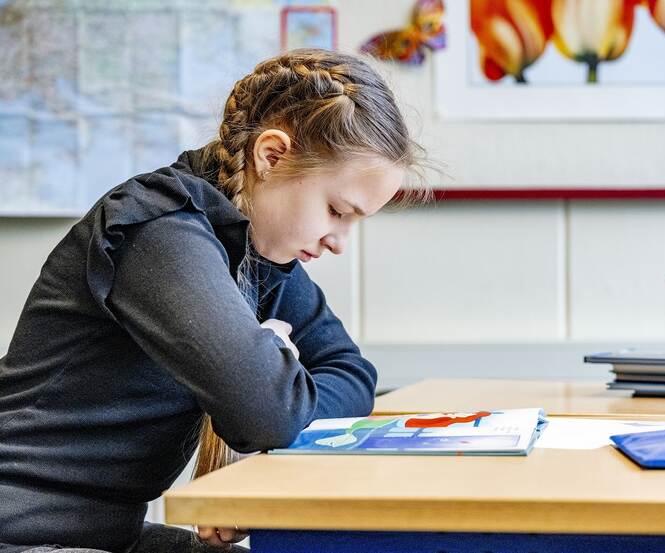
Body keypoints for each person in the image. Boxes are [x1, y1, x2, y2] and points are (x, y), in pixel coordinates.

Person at [0, 49, 429, 553]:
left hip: (100, 532)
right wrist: (277, 390)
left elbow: (351, 371)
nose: (339, 241)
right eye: (336, 210)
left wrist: (280, 391)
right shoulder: (157, 231)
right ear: (271, 156)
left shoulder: (255, 250)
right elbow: (266, 415)